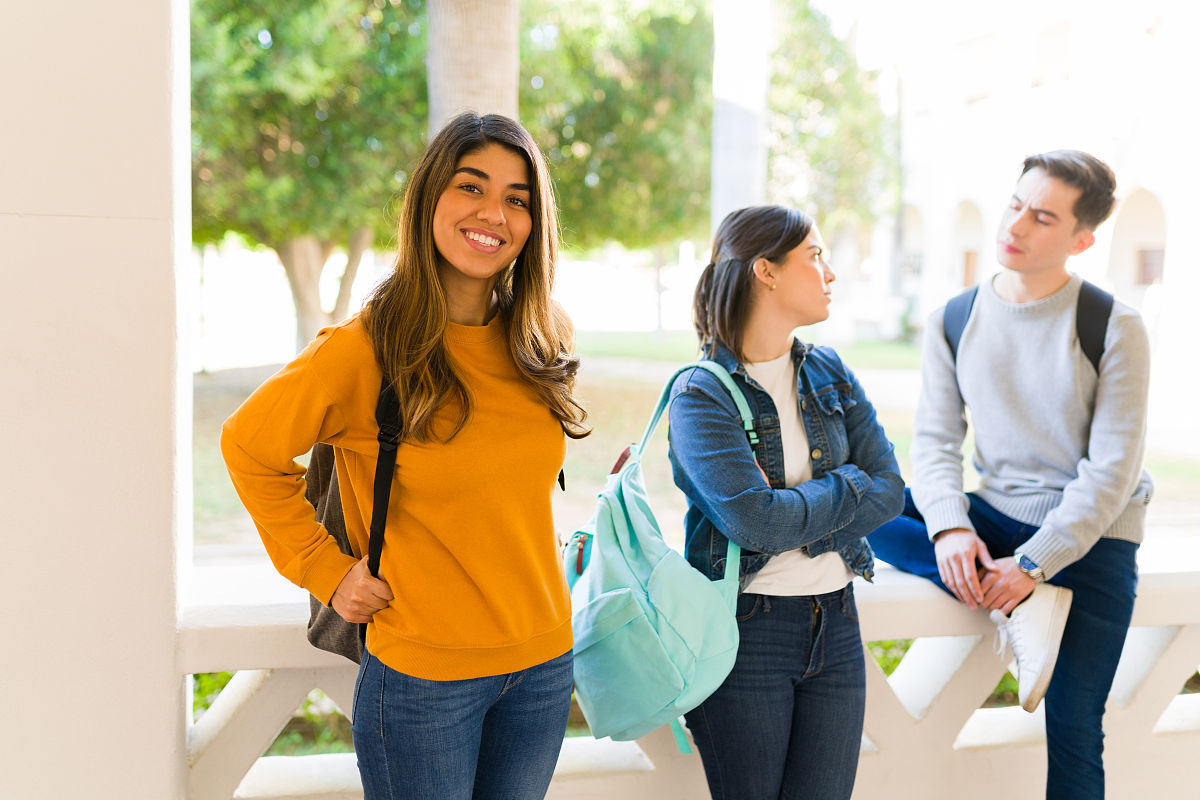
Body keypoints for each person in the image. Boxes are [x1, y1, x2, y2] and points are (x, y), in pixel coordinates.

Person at [220, 112, 589, 800]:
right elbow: (247, 445)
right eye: (471, 187)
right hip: (424, 682)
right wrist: (325, 571)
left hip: (541, 666)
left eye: (517, 198)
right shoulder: (361, 351)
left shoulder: (539, 337)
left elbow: (505, 488)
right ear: (428, 201)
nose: (494, 214)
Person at [868, 149, 1152, 799]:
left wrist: (1031, 565)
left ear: (1081, 239)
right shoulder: (955, 317)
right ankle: (1017, 601)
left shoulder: (1114, 326)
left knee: (1076, 731)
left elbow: (1112, 471)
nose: (1016, 226)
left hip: (1092, 538)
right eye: (1015, 204)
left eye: (1043, 217)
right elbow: (936, 441)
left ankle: (1023, 592)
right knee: (863, 499)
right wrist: (948, 530)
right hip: (995, 514)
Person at [666, 205, 904, 800]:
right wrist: (847, 485)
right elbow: (755, 522)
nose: (830, 272)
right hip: (748, 634)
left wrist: (798, 516)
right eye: (815, 255)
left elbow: (892, 489)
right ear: (766, 271)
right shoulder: (700, 395)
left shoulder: (827, 370)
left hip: (838, 622)